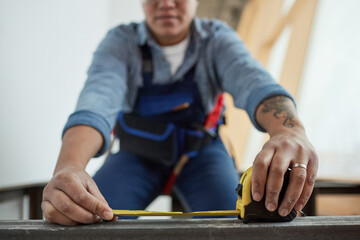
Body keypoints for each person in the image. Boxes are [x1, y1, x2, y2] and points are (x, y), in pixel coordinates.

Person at [42, 0, 318, 226]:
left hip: (203, 155)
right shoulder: (120, 43)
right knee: (82, 218)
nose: (166, 4)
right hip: (136, 156)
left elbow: (255, 83)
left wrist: (290, 131)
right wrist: (69, 167)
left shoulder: (217, 40)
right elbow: (96, 104)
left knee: (237, 225)